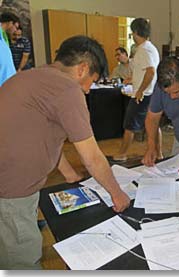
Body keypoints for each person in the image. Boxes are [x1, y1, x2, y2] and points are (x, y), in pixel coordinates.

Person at [0, 35, 130, 269]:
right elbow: (91, 156)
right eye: (93, 80)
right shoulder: (67, 89)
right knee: (21, 258)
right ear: (82, 69)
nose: (90, 90)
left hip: (12, 182)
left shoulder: (33, 75)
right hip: (10, 189)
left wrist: (70, 175)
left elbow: (44, 134)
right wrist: (117, 193)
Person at [113, 18, 162, 161]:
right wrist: (132, 80)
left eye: (132, 33)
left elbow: (151, 71)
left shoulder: (143, 49)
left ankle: (122, 154)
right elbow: (145, 71)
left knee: (129, 125)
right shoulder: (150, 47)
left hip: (143, 95)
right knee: (153, 124)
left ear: (135, 32)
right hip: (150, 93)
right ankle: (158, 154)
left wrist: (140, 90)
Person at [0, 11, 19, 86]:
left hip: (9, 83)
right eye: (16, 27)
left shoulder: (4, 38)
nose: (15, 31)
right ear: (10, 23)